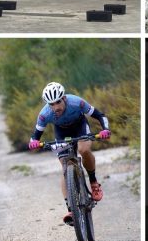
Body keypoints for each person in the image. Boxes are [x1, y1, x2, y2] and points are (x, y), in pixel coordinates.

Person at [28, 82, 111, 225]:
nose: (56, 107)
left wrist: (105, 129)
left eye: (58, 102)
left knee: (84, 150)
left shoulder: (77, 103)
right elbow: (36, 135)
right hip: (61, 132)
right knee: (66, 167)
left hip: (79, 126)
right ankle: (71, 209)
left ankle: (93, 182)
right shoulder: (44, 114)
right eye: (51, 104)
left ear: (64, 98)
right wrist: (33, 142)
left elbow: (99, 115)